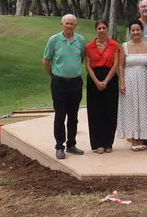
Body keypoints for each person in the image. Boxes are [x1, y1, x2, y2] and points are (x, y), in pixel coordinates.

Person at [42, 14, 86, 159]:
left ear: (75, 25)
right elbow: (46, 61)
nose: (69, 26)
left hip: (75, 82)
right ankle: (59, 146)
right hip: (59, 83)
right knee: (60, 116)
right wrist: (54, 75)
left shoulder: (80, 40)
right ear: (62, 24)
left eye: (72, 24)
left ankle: (71, 145)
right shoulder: (53, 40)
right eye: (67, 23)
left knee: (73, 116)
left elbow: (82, 58)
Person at [117, 20, 147, 151]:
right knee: (131, 109)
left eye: (138, 30)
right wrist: (122, 82)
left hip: (144, 80)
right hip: (129, 80)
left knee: (144, 108)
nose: (135, 32)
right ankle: (134, 138)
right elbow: (121, 65)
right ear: (130, 32)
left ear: (142, 31)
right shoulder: (124, 46)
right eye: (133, 30)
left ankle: (142, 136)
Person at [85, 20, 120, 154]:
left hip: (110, 79)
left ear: (107, 29)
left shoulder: (114, 45)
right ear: (96, 30)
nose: (101, 30)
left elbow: (116, 64)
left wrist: (105, 81)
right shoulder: (89, 46)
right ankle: (98, 143)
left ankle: (108, 142)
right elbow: (87, 65)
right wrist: (97, 81)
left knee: (110, 111)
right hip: (94, 80)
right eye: (99, 28)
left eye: (104, 28)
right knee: (95, 111)